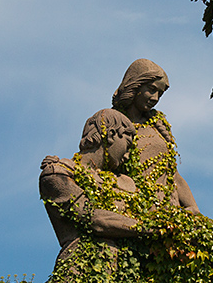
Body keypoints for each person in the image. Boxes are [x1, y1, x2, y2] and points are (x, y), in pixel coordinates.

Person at [39, 108, 144, 264]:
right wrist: (147, 227)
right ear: (111, 134)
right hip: (81, 271)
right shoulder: (57, 173)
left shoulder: (124, 183)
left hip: (124, 278)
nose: (127, 155)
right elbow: (92, 218)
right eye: (127, 145)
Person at [111, 58, 200, 214]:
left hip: (169, 212)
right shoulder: (113, 122)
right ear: (135, 85)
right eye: (151, 89)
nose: (155, 98)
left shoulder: (157, 124)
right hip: (135, 211)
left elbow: (173, 173)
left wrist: (192, 207)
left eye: (160, 93)